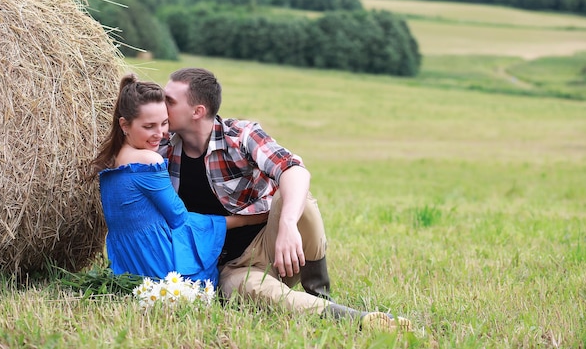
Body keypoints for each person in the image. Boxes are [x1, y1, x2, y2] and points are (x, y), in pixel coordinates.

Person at [161, 67, 412, 332]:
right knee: (257, 293)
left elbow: (295, 170)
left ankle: (318, 290)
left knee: (296, 198)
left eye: (169, 101)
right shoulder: (162, 145)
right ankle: (359, 320)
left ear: (197, 111)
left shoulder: (241, 135)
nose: (160, 106)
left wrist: (288, 225)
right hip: (228, 267)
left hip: (275, 247)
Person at [90, 74, 267, 285]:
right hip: (159, 265)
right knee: (207, 279)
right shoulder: (149, 160)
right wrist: (246, 220)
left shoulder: (113, 159)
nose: (160, 133)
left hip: (129, 265)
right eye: (149, 126)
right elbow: (179, 218)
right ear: (125, 125)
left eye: (164, 123)